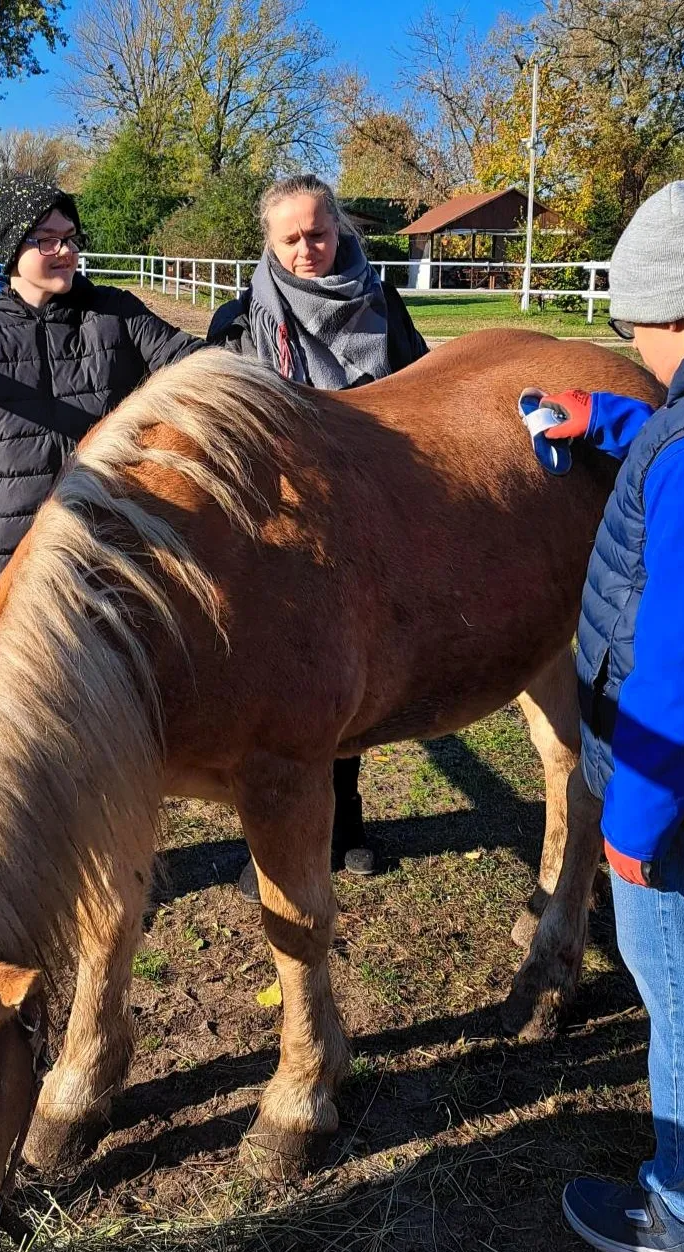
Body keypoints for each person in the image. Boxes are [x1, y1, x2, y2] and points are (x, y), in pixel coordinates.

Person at [535, 179, 684, 1252]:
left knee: (674, 975)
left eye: (632, 325)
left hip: (675, 792)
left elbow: (681, 661)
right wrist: (610, 424)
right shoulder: (683, 428)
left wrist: (632, 821)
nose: (627, 347)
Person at [208, 174, 428, 887]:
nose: (309, 249)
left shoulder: (381, 303)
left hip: (370, 515)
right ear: (269, 243)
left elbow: (421, 391)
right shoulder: (238, 322)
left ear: (339, 228)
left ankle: (347, 818)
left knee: (353, 680)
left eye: (319, 232)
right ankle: (270, 842)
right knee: (282, 688)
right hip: (284, 528)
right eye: (292, 238)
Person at [0, 176, 202, 614]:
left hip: (113, 555)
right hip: (11, 567)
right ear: (13, 249)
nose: (66, 252)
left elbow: (196, 366)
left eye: (69, 238)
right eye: (47, 241)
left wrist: (244, 325)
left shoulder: (118, 314)